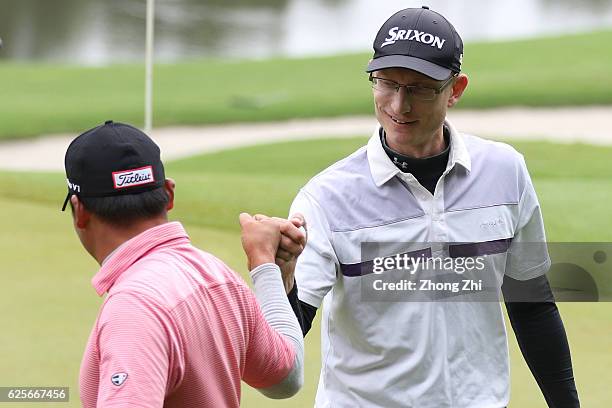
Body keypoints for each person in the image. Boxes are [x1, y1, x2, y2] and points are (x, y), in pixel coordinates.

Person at [280, 6, 580, 408]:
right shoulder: (327, 198)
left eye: (420, 88)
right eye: (387, 83)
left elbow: (532, 307)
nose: (399, 106)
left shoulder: (504, 171)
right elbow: (289, 332)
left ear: (455, 90)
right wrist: (279, 278)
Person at [61, 120, 306, 407]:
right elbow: (286, 378)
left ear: (79, 211)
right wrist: (266, 266)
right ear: (169, 194)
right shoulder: (219, 275)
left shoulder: (133, 306)